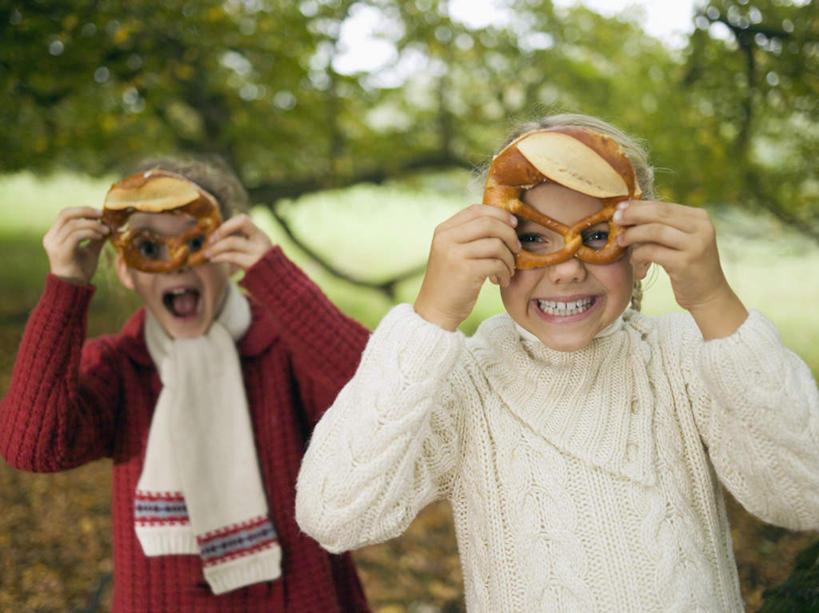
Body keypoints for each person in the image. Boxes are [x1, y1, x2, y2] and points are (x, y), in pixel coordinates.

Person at [294, 114, 819, 611]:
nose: (566, 269)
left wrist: (714, 303)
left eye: (595, 238)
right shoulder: (465, 385)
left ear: (640, 250)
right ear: (491, 254)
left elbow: (803, 495)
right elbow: (336, 514)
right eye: (531, 239)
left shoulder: (684, 355)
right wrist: (430, 318)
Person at [0, 157, 371, 612]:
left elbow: (378, 397)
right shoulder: (120, 367)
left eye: (195, 243)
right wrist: (66, 284)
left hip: (298, 597)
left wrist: (276, 277)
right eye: (148, 249)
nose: (174, 267)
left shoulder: (284, 346)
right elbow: (33, 447)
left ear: (230, 257)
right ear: (125, 271)